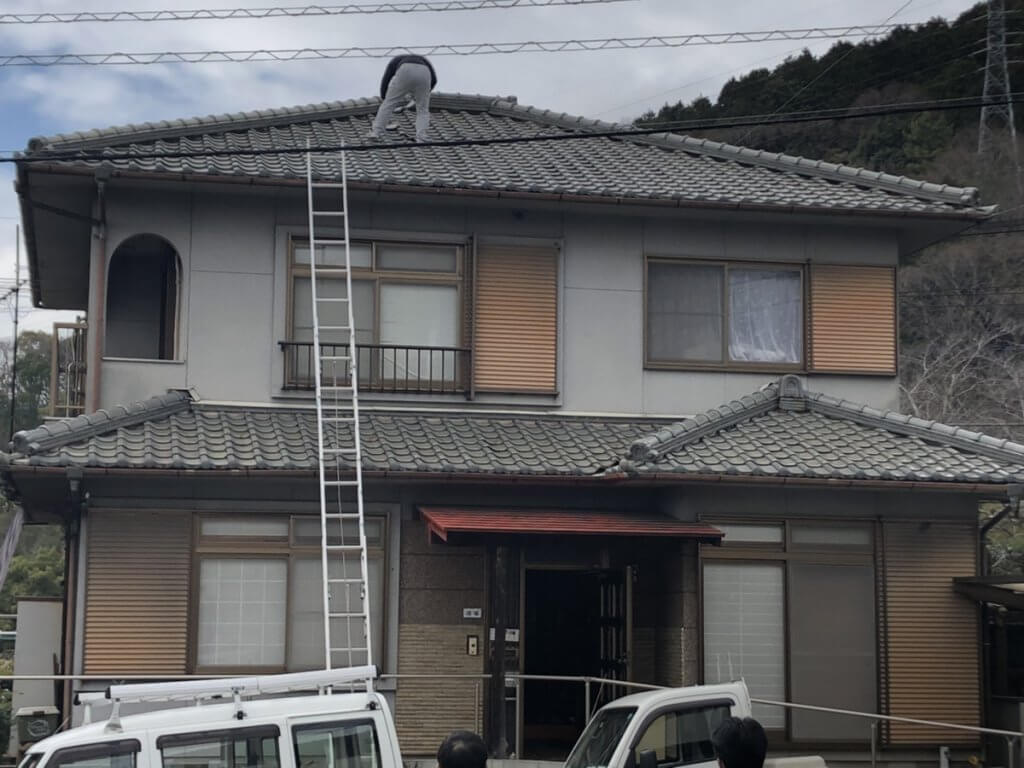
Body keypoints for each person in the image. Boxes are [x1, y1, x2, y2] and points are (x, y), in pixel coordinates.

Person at [369, 54, 437, 143]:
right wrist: (422, 95)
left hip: (405, 69)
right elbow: (434, 80)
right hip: (425, 72)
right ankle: (422, 137)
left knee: (389, 104)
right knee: (423, 109)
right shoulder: (424, 60)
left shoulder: (395, 60)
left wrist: (384, 97)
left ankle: (376, 132)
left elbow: (386, 80)